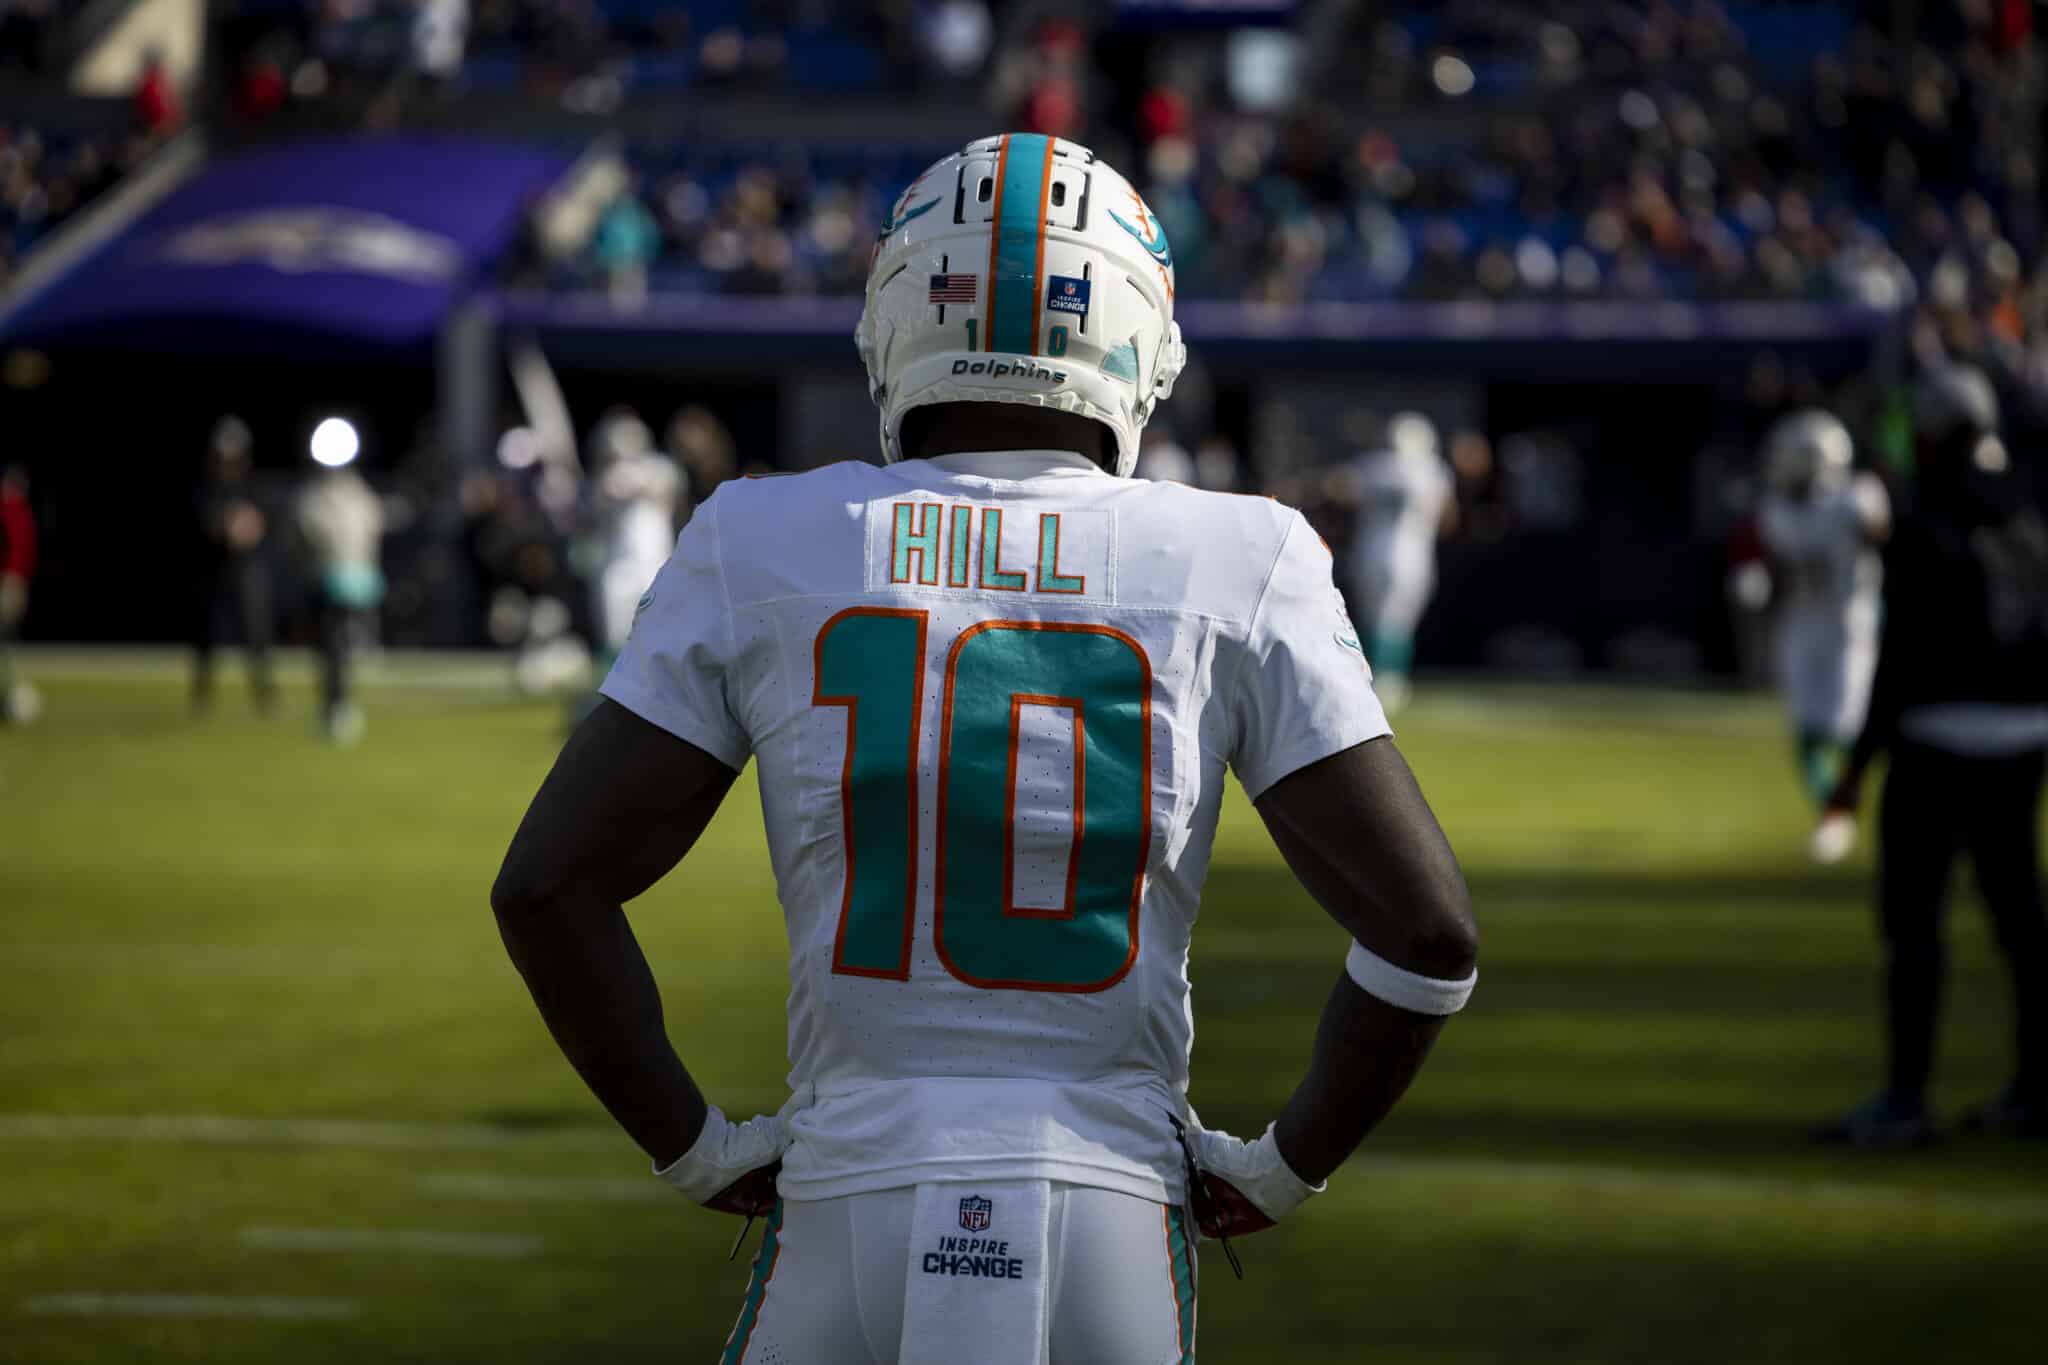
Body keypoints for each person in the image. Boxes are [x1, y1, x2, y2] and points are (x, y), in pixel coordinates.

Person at [493, 134, 1479, 1364]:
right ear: (1135, 338)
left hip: (845, 1187)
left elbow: (545, 886)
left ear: (900, 313)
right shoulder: (1241, 555)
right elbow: (1426, 930)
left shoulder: (763, 534)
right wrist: (1280, 1169)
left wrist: (693, 1144)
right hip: (1107, 1204)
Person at [1820, 364, 2048, 1146]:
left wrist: (1854, 772)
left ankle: (1906, 1099)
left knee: (1914, 923)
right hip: (2023, 739)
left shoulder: (1923, 516)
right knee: (2021, 921)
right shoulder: (2027, 509)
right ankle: (2033, 1091)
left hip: (1938, 740)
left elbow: (1900, 661)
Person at [1753, 408, 1889, 857]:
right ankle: (1835, 817)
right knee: (1807, 730)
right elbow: (1779, 566)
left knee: (1846, 728)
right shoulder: (1778, 509)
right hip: (1802, 621)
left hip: (1851, 621)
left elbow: (1885, 538)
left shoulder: (1857, 498)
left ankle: (1856, 808)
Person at [1344, 412, 1455, 711]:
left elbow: (1343, 497)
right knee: (1399, 622)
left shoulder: (1371, 466)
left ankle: (1365, 677)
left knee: (1368, 619)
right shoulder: (1434, 471)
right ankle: (1391, 678)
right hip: (1413, 555)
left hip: (1369, 551)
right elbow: (1447, 519)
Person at [295, 420, 385, 745]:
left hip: (353, 583)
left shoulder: (357, 495)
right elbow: (310, 534)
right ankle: (336, 706)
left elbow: (368, 534)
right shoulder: (317, 496)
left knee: (341, 650)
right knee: (334, 651)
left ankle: (338, 706)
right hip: (329, 583)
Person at [583, 409, 681, 678]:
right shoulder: (605, 477)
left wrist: (630, 483)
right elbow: (595, 507)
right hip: (618, 562)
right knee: (615, 621)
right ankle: (614, 676)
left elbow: (664, 488)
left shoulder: (659, 468)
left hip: (654, 560)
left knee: (656, 622)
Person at [192, 416, 278, 714]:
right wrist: (228, 526)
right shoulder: (208, 486)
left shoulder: (253, 485)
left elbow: (257, 526)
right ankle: (202, 694)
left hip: (247, 569)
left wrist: (241, 527)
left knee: (256, 633)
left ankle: (264, 693)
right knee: (208, 634)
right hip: (215, 570)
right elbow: (211, 524)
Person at [0, 462, 38, 725]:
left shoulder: (14, 510)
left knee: (6, 640)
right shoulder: (14, 510)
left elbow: (20, 550)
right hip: (11, 580)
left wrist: (14, 578)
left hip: (10, 581)